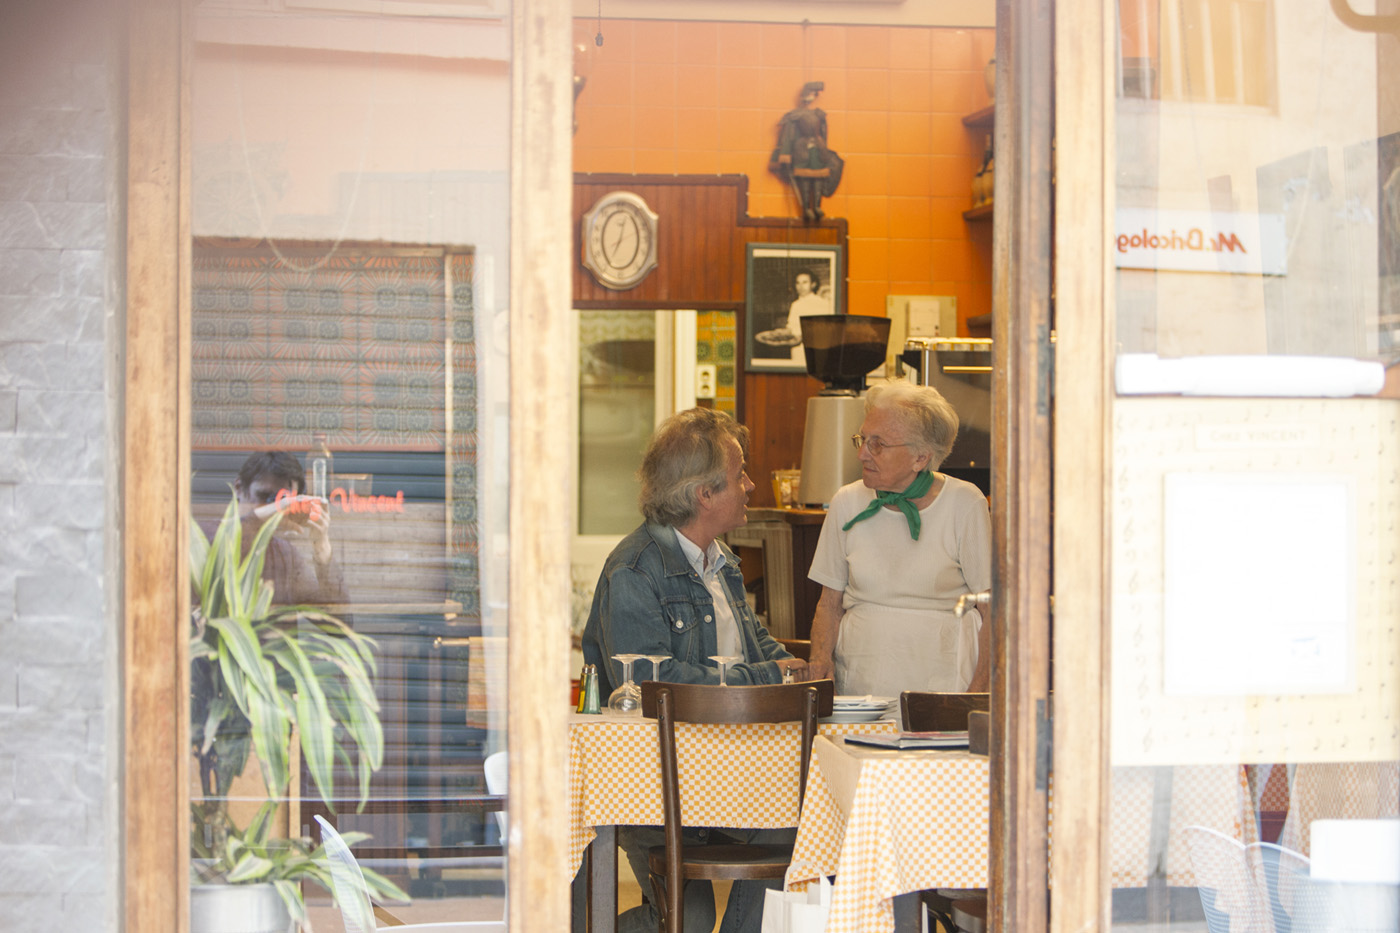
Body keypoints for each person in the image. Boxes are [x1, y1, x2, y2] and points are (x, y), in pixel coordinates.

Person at [579, 407, 808, 933]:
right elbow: (651, 688)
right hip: (657, 789)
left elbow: (753, 643)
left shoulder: (721, 559)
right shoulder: (632, 571)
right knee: (689, 919)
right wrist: (769, 680)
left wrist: (783, 663)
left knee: (812, 841)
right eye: (739, 475)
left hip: (737, 777)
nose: (751, 485)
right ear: (704, 494)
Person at [806, 382, 992, 697]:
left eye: (878, 444)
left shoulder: (964, 503)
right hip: (860, 690)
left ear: (921, 458)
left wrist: (977, 694)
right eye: (862, 439)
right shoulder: (847, 502)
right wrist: (820, 664)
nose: (863, 453)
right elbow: (829, 604)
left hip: (943, 691)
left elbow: (994, 612)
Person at [206, 451, 349, 606]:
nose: (275, 507)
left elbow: (339, 625)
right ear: (239, 488)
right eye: (264, 497)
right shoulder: (206, 536)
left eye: (282, 501)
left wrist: (322, 548)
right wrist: (259, 519)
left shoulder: (285, 555)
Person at [769, 80, 844, 223]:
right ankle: (806, 209)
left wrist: (824, 148)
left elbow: (824, 133)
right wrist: (785, 155)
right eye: (810, 93)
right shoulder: (795, 115)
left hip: (818, 148)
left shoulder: (819, 114)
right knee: (804, 179)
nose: (811, 96)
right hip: (801, 149)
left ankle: (816, 206)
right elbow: (788, 136)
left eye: (813, 94)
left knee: (818, 179)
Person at [784, 267, 830, 364]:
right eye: (798, 283)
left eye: (805, 282)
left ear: (813, 284)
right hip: (797, 349)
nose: (801, 286)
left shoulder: (822, 303)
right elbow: (791, 327)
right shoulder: (795, 305)